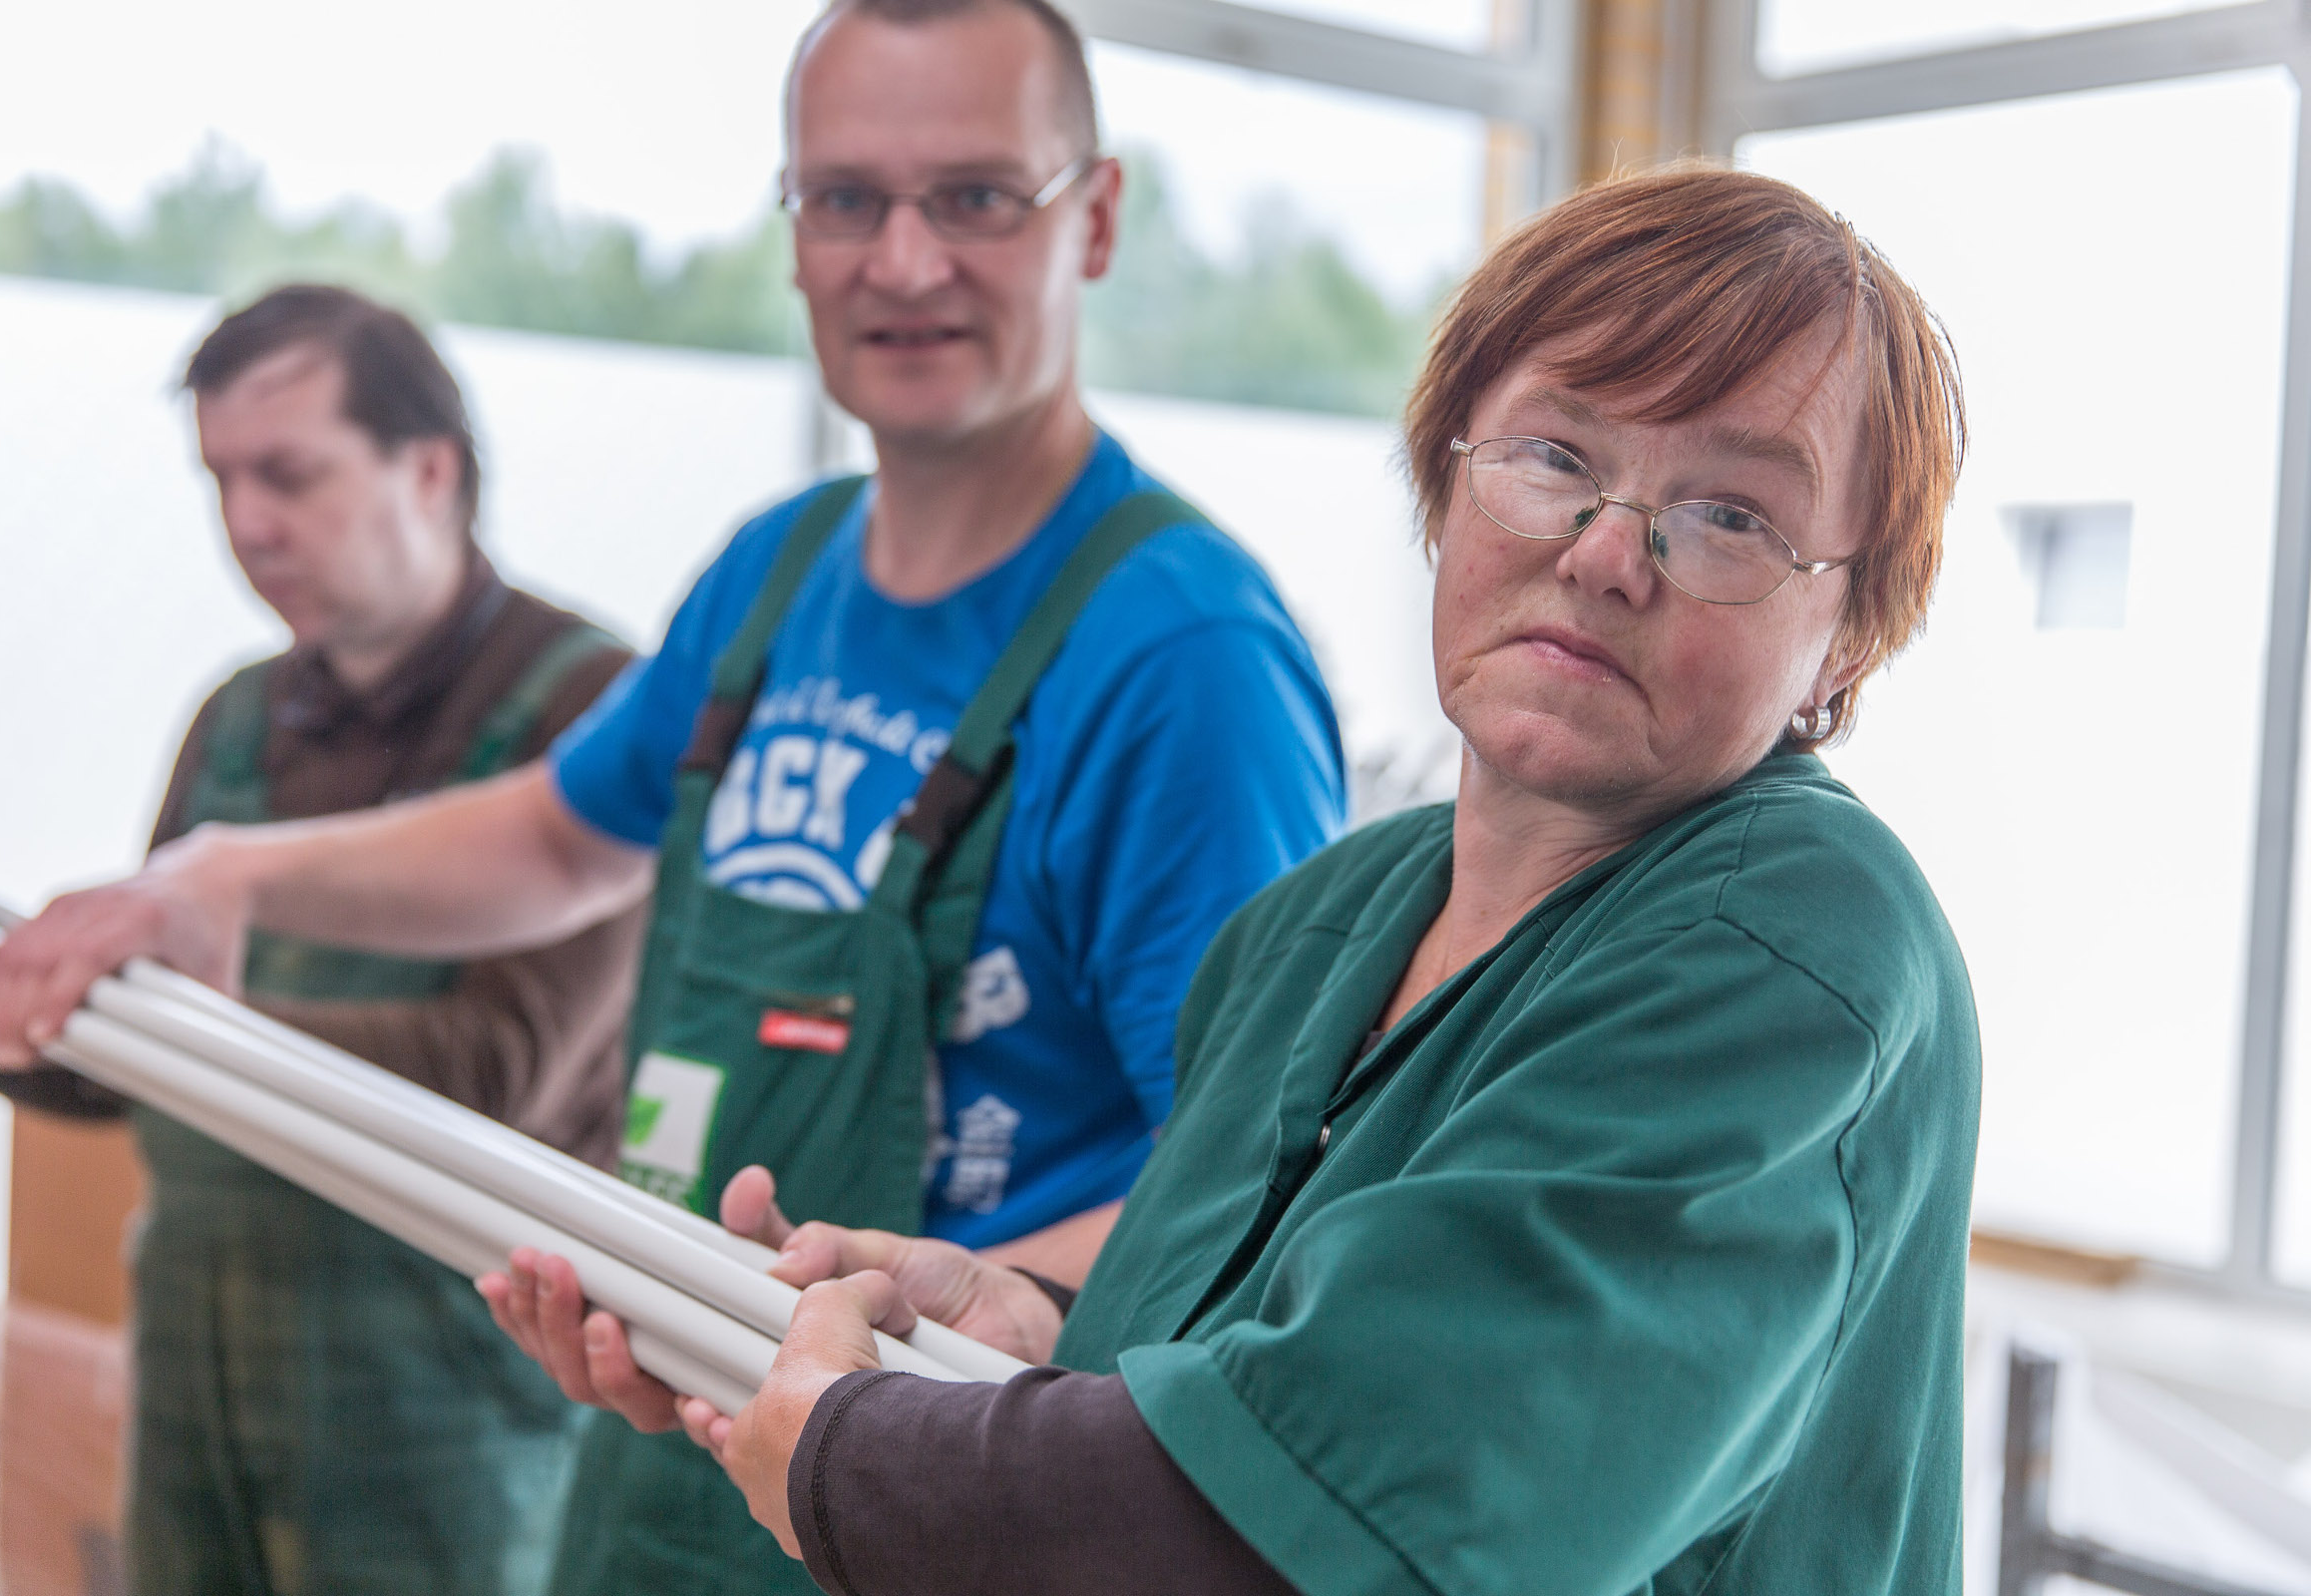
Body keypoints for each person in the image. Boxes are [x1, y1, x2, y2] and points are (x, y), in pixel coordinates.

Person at [0, 1, 1348, 1590]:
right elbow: (560, 834)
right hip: (666, 1456)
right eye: (845, 200)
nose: (901, 262)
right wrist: (223, 880)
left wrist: (922, 1308)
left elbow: (1253, 1195)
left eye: (974, 196)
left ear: (1093, 218)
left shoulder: (1179, 656)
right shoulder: (777, 572)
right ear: (793, 228)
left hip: (944, 1500)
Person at [496, 163, 1984, 1595]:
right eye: (1555, 458)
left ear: (1850, 636)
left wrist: (850, 1449)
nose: (1607, 554)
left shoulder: (1786, 945)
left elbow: (1342, 1525)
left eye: (1731, 515)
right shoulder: (1310, 934)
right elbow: (1270, 1355)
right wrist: (1029, 1322)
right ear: (1444, 484)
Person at [0, 283, 644, 1594]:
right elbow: (108, 1067)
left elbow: (496, 1069)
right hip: (200, 1365)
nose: (248, 524)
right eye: (221, 481)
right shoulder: (236, 719)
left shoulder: (591, 716)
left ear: (429, 467)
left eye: (289, 475)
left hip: (450, 1392)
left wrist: (142, 1024)